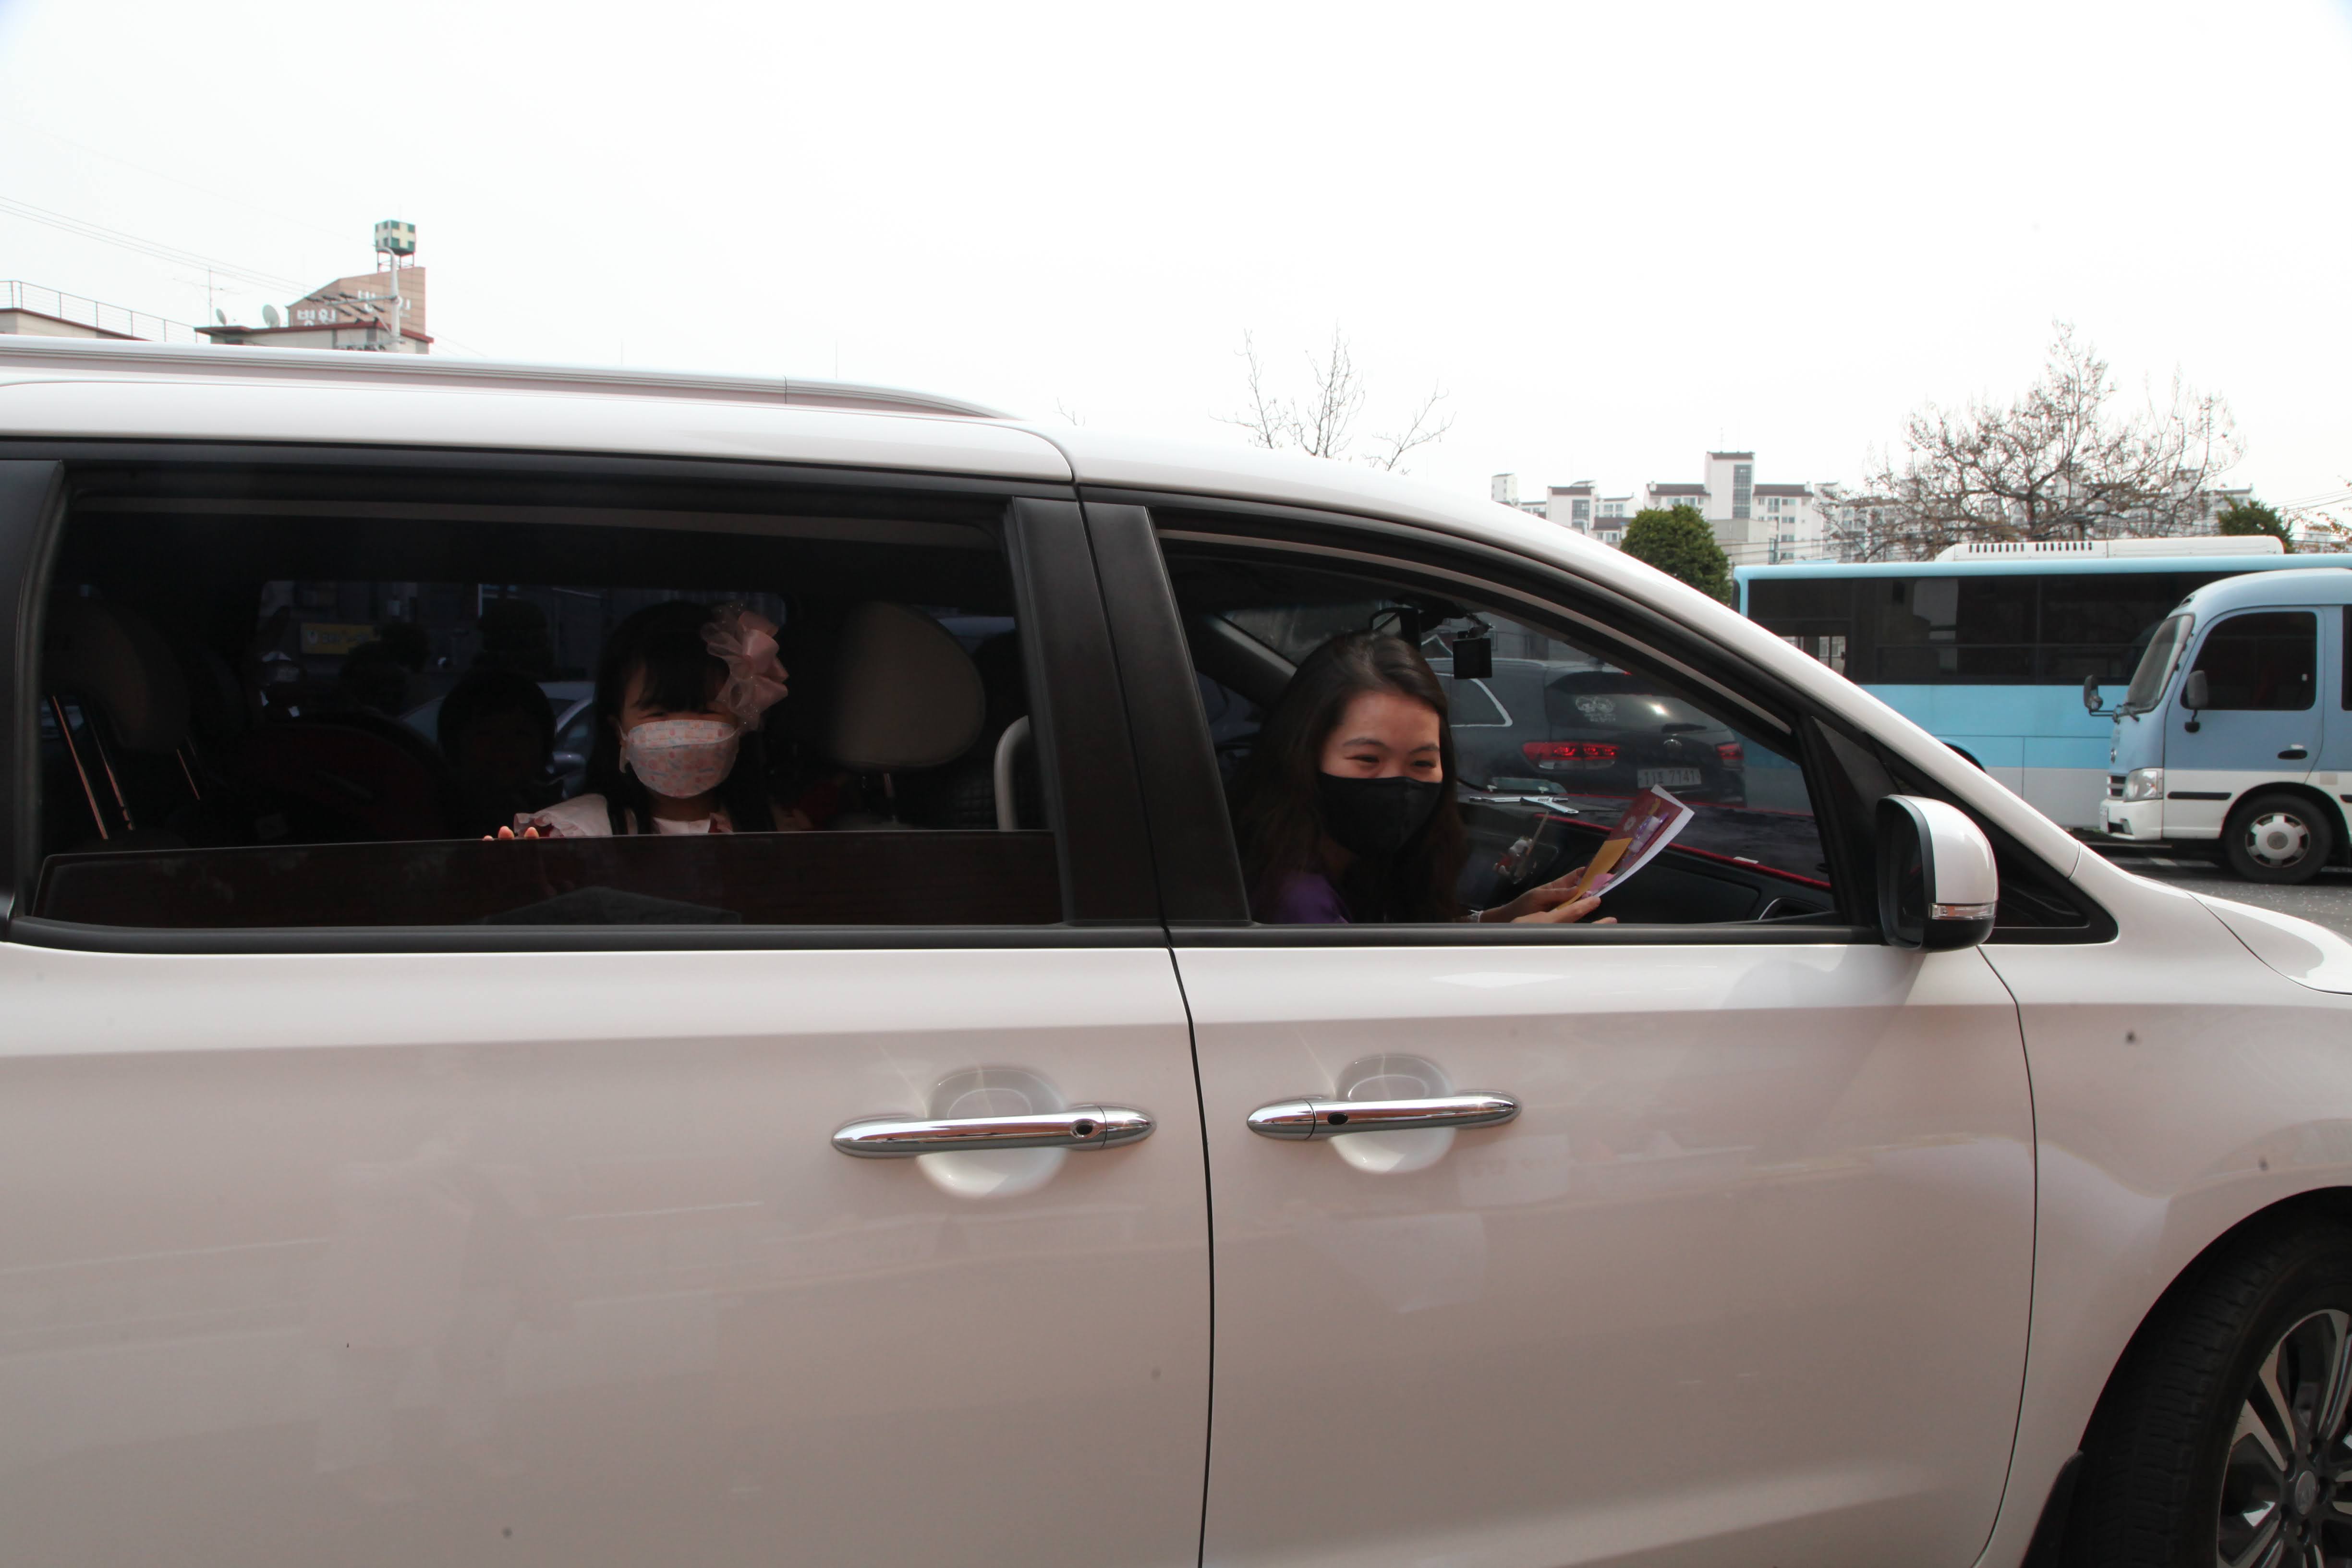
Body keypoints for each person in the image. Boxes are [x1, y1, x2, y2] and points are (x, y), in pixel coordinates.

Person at [1235, 630, 1609, 925]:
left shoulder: (1357, 866)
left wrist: (1498, 920)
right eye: (1368, 759)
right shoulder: (1296, 899)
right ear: (1304, 755)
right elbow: (1377, 992)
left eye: (1422, 762)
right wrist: (1510, 949)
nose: (1398, 784)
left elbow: (1395, 952)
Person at [497, 600, 802, 838]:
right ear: (619, 731)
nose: (682, 735)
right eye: (658, 714)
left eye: (705, 711)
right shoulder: (575, 833)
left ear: (743, 724)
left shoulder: (774, 832)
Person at [438, 668, 559, 838]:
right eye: (486, 733)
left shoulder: (560, 817)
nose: (504, 746)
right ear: (456, 741)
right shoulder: (434, 813)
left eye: (520, 734)